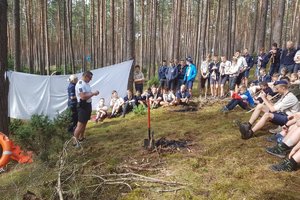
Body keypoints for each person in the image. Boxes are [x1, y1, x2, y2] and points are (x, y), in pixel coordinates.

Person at [73, 71, 99, 147]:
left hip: (87, 105)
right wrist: (93, 93)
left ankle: (81, 137)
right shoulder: (80, 84)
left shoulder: (86, 84)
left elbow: (87, 94)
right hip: (82, 105)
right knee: (80, 124)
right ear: (85, 76)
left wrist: (92, 94)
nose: (91, 79)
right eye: (90, 78)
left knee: (85, 123)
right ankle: (75, 141)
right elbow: (83, 96)